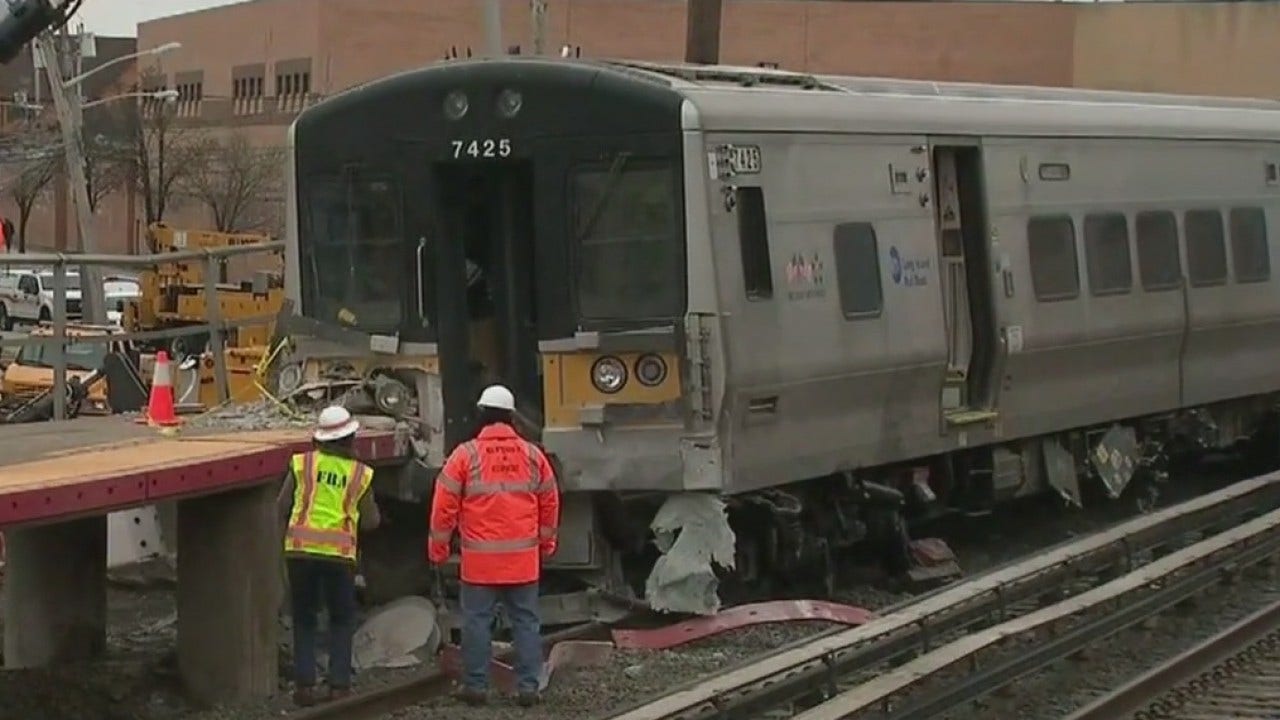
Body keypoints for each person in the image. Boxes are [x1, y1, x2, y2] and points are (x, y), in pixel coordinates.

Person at [428, 384, 560, 707]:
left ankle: (475, 685)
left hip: (480, 564)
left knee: (476, 622)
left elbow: (443, 506)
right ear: (512, 417)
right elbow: (550, 502)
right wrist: (546, 543)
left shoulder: (465, 455)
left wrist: (439, 548)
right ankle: (529, 687)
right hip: (522, 562)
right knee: (526, 622)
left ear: (482, 414)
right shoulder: (533, 455)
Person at [277, 404, 381, 707]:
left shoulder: (301, 465)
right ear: (350, 439)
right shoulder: (360, 473)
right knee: (340, 619)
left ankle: (305, 687)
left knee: (304, 618)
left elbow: (281, 506)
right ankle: (339, 686)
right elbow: (372, 520)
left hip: (299, 553)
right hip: (339, 556)